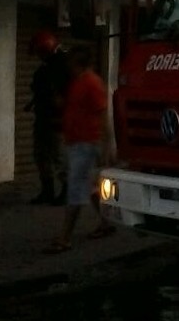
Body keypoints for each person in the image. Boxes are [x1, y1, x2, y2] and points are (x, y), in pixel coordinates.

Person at [44, 45, 114, 253]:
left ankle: (65, 236)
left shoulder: (92, 83)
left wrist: (106, 145)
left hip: (86, 143)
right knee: (89, 186)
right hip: (77, 142)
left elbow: (103, 115)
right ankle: (106, 222)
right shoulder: (78, 82)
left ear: (78, 63)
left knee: (76, 189)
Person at [26, 30, 70, 205]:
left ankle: (66, 191)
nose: (39, 56)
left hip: (57, 120)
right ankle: (47, 190)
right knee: (41, 155)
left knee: (59, 157)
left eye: (40, 52)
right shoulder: (47, 68)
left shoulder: (63, 66)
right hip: (44, 118)